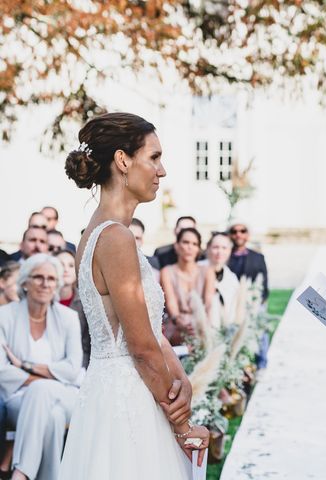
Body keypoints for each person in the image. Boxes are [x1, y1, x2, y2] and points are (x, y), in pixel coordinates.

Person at [59, 112, 209, 479]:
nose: (162, 171)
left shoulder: (99, 233)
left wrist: (181, 376)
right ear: (123, 160)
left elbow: (147, 330)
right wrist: (182, 428)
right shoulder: (115, 238)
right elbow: (140, 348)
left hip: (117, 391)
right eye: (154, 157)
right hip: (128, 404)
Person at [0, 254, 82, 480]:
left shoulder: (68, 318)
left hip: (65, 395)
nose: (45, 284)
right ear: (25, 282)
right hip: (18, 397)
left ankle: (20, 473)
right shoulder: (4, 316)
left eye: (51, 278)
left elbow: (73, 368)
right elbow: (2, 370)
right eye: (38, 277)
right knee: (53, 417)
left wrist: (26, 365)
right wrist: (47, 378)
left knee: (44, 395)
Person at [160, 228, 215, 345]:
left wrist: (204, 327)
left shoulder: (207, 271)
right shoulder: (167, 272)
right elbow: (171, 305)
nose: (190, 247)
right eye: (185, 242)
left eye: (194, 244)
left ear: (199, 249)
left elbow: (209, 304)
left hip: (203, 324)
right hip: (176, 327)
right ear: (177, 246)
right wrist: (181, 323)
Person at [52, 250, 91, 369]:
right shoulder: (44, 300)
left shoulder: (85, 302)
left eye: (70, 265)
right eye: (60, 265)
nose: (66, 269)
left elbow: (87, 343)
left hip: (79, 365)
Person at [199, 232, 239, 324]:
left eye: (224, 248)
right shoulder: (197, 270)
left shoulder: (232, 278)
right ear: (208, 248)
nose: (219, 252)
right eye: (215, 247)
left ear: (230, 251)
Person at [228, 222, 269, 301]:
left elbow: (264, 283)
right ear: (229, 235)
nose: (238, 234)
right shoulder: (223, 256)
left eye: (242, 231)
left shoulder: (258, 257)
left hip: (250, 302)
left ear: (248, 234)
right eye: (234, 231)